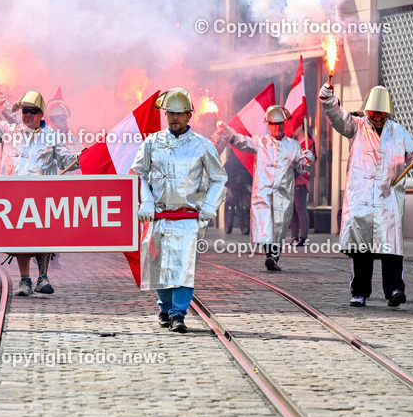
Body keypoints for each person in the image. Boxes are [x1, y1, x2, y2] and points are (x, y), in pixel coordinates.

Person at [319, 83, 413, 307]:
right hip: (361, 198)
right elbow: (338, 117)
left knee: (391, 247)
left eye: (380, 111)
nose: (376, 115)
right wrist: (328, 100)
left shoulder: (399, 132)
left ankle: (394, 290)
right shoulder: (356, 126)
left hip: (388, 199)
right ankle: (359, 291)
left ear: (387, 111)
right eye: (372, 111)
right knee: (361, 248)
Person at [132, 88, 227, 333]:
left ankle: (178, 314)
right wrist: (146, 201)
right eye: (171, 113)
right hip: (159, 216)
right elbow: (138, 173)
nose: (175, 118)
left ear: (188, 115)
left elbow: (219, 178)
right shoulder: (151, 143)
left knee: (184, 267)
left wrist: (209, 206)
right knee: (159, 266)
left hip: (187, 218)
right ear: (165, 115)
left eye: (180, 113)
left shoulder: (202, 145)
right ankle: (165, 307)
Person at [0, 83, 78, 296]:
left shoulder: (53, 137)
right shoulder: (8, 132)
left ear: (41, 114)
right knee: (20, 237)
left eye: (32, 111)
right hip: (14, 195)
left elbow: (67, 159)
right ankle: (24, 280)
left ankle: (43, 277)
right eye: (24, 111)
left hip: (43, 196)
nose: (27, 115)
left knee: (44, 235)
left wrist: (84, 157)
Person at [217, 106, 313, 271]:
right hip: (263, 192)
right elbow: (240, 141)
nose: (277, 127)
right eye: (274, 124)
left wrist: (307, 159)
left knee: (279, 227)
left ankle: (274, 256)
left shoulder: (293, 146)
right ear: (268, 125)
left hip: (283, 194)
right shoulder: (260, 142)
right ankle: (270, 256)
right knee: (265, 225)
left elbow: (301, 166)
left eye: (280, 123)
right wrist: (225, 131)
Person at [290, 126, 316, 247]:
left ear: (300, 126)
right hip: (291, 178)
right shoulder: (292, 142)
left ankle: (303, 237)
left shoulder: (308, 142)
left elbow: (309, 162)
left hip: (301, 178)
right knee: (292, 209)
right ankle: (294, 236)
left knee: (300, 208)